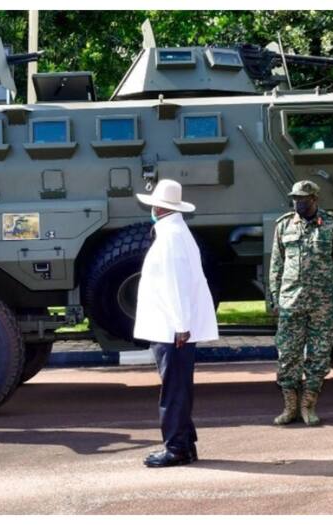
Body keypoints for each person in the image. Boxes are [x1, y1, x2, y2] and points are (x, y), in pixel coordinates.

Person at [133, 179, 219, 468]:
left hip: (171, 329)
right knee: (179, 389)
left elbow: (175, 286)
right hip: (174, 327)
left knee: (173, 391)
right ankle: (185, 445)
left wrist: (181, 325)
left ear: (158, 207)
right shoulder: (177, 233)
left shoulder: (170, 238)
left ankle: (176, 449)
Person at [269, 180, 333, 426]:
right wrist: (275, 297)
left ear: (315, 199)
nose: (298, 203)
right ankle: (290, 407)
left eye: (303, 199)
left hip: (322, 303)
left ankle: (308, 406)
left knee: (318, 355)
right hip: (290, 302)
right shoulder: (284, 225)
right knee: (288, 355)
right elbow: (276, 263)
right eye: (295, 199)